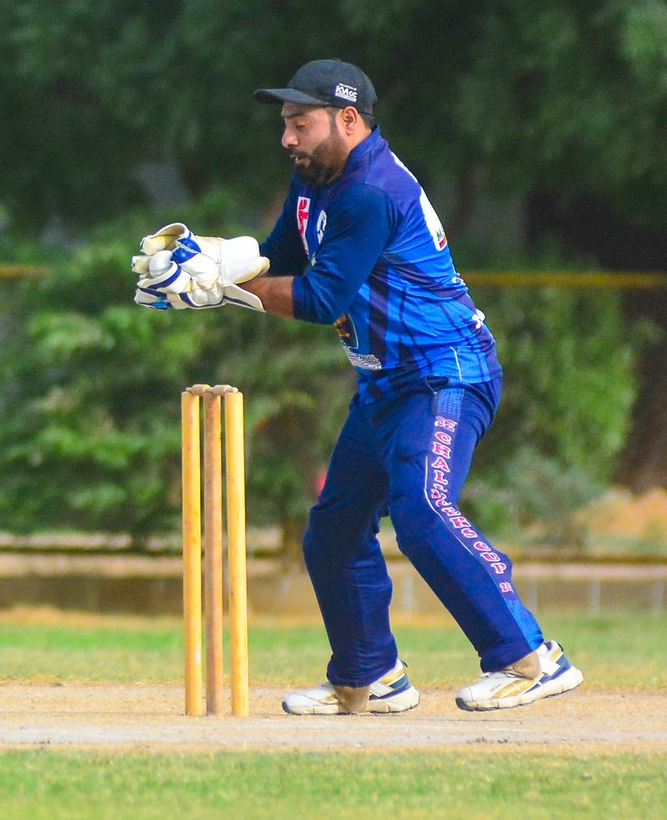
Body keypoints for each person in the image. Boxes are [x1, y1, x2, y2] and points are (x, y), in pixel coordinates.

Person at [131, 59, 583, 715]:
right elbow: (282, 258)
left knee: (422, 512)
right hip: (385, 382)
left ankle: (531, 657)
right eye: (285, 123)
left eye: (301, 123)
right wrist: (211, 261)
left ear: (348, 119)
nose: (287, 137)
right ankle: (369, 676)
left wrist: (220, 288)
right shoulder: (315, 179)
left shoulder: (371, 191)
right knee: (334, 534)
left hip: (443, 372)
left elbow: (321, 298)